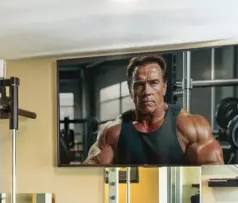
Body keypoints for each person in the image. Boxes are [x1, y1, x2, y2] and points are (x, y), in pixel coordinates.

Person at [84, 55, 223, 165]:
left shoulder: (189, 126)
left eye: (154, 83)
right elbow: (90, 171)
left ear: (164, 87)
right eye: (139, 85)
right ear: (130, 90)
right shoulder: (113, 131)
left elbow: (214, 171)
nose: (147, 92)